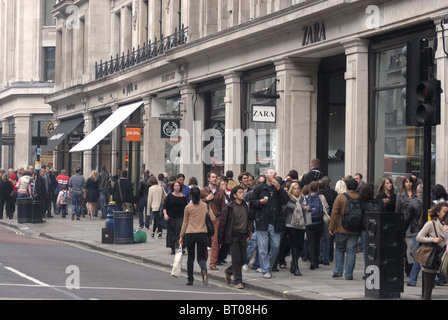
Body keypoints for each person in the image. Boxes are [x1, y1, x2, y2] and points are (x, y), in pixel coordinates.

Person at [249, 168, 289, 279]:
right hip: (262, 221)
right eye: (271, 174)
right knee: (262, 248)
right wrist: (260, 202)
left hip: (275, 222)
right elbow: (252, 202)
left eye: (275, 174)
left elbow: (285, 200)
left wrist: (279, 188)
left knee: (276, 247)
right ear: (266, 176)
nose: (273, 176)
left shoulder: (278, 188)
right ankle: (265, 269)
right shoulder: (259, 188)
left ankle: (268, 266)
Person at [218, 186, 254, 289]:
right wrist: (220, 240)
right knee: (236, 259)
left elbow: (250, 219)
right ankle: (237, 281)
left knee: (243, 259)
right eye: (240, 192)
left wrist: (249, 231)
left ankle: (229, 271)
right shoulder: (229, 207)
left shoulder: (246, 206)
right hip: (233, 235)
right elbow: (223, 224)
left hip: (243, 235)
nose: (242, 194)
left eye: (243, 192)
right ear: (234, 195)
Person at [179, 187, 216, 286]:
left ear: (191, 195)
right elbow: (213, 218)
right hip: (202, 234)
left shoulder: (188, 207)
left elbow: (185, 223)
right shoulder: (205, 206)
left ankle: (190, 279)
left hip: (190, 234)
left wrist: (181, 236)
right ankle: (204, 270)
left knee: (190, 258)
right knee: (201, 258)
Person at [329, 178, 360, 280]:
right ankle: (349, 274)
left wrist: (331, 228)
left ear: (346, 187)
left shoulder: (340, 197)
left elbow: (334, 214)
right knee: (351, 252)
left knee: (339, 250)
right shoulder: (359, 198)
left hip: (341, 228)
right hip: (355, 229)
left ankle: (338, 271)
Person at [416, 201, 448, 300]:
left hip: (445, 258)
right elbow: (419, 237)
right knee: (428, 288)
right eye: (444, 212)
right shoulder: (431, 224)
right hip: (432, 257)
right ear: (438, 212)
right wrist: (432, 239)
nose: (446, 215)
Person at [200, 171, 227, 270]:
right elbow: (196, 203)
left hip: (217, 218)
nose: (214, 179)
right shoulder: (203, 191)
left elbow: (223, 206)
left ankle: (212, 263)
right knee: (204, 242)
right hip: (205, 218)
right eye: (212, 177)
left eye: (215, 177)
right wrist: (206, 199)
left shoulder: (220, 191)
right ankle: (204, 260)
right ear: (208, 178)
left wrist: (223, 218)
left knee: (215, 242)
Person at [395, 175, 419, 276]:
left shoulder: (416, 195)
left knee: (414, 246)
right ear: (404, 183)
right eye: (406, 182)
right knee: (410, 246)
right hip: (405, 223)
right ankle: (410, 268)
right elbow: (398, 210)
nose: (408, 184)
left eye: (410, 182)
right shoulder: (400, 195)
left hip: (415, 223)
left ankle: (412, 268)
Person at [282, 182, 306, 276]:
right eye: (295, 188)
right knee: (295, 245)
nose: (297, 190)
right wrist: (298, 207)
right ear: (292, 190)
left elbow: (306, 211)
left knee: (301, 246)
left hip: (301, 224)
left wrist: (306, 208)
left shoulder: (303, 198)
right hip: (290, 224)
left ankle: (293, 262)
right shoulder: (288, 199)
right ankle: (296, 267)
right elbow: (285, 208)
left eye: (298, 188)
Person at [304, 181, 329, 270]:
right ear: (318, 188)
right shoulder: (321, 197)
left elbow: (303, 209)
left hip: (309, 222)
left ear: (309, 189)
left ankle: (312, 261)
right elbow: (327, 208)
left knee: (310, 242)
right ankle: (317, 261)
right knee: (317, 242)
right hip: (319, 222)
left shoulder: (306, 197)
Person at [164, 181, 188, 254]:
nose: (177, 187)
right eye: (175, 186)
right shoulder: (169, 196)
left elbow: (186, 207)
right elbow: (165, 207)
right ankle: (173, 248)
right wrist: (165, 214)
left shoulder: (183, 197)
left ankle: (181, 247)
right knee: (172, 232)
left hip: (180, 216)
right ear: (173, 187)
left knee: (180, 232)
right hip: (171, 216)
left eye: (178, 186)